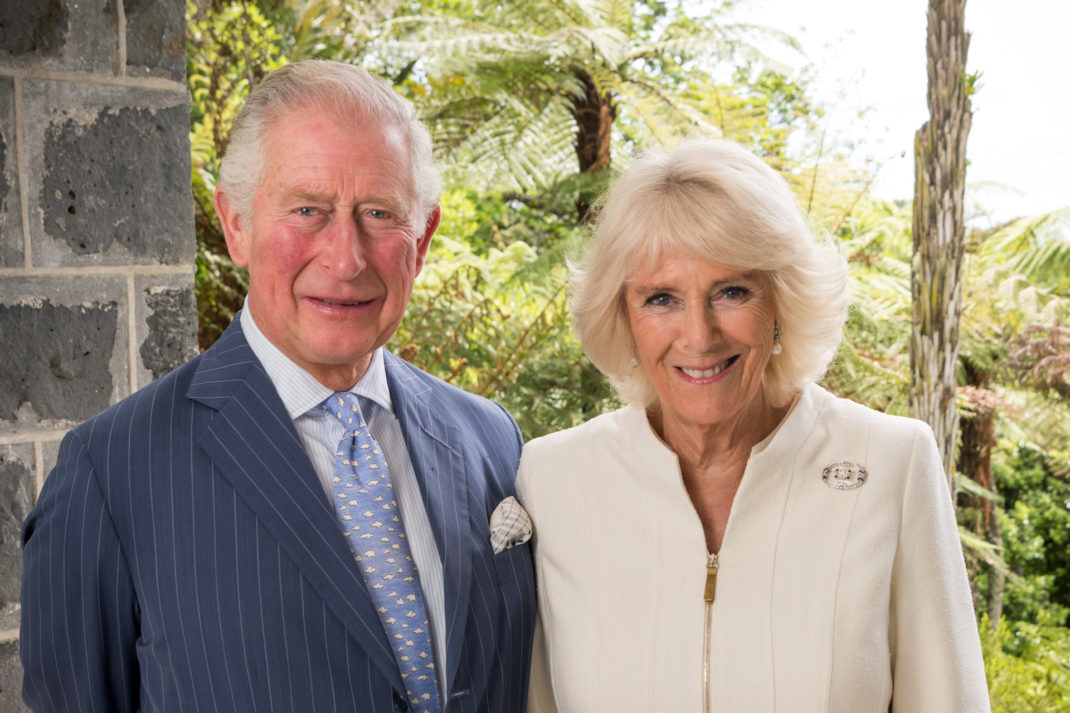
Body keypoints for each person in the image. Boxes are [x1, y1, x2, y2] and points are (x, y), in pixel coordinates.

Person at [21, 60, 535, 713]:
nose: (346, 257)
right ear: (236, 224)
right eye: (307, 210)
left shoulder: (491, 437)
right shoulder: (110, 472)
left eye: (379, 213)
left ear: (423, 238)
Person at [519, 138, 990, 712]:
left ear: (781, 304)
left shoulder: (890, 463)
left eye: (732, 291)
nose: (699, 336)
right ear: (623, 316)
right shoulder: (554, 477)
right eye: (661, 298)